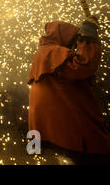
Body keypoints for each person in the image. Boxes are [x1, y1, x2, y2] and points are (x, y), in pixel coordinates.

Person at [28, 18, 110, 164]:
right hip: (66, 125)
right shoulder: (53, 52)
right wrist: (88, 37)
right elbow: (84, 66)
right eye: (73, 39)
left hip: (48, 126)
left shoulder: (42, 52)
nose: (74, 44)